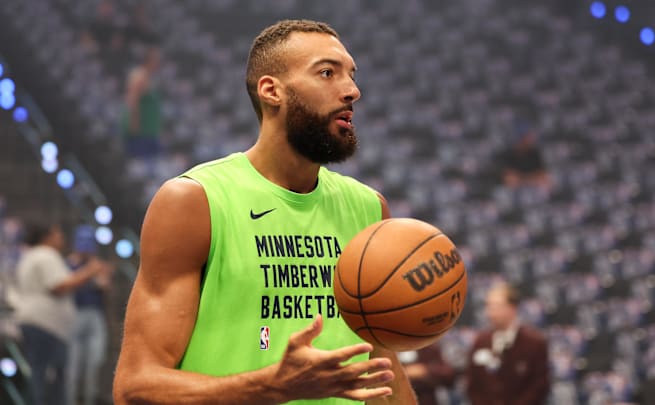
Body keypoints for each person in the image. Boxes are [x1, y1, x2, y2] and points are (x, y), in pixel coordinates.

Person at [113, 19, 416, 404]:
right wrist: (271, 386)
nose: (352, 91)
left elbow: (383, 366)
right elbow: (135, 387)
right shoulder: (195, 201)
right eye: (327, 73)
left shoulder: (369, 209)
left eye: (351, 76)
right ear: (272, 91)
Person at [14, 222, 106, 405]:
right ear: (47, 237)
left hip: (38, 323)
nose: (61, 238)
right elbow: (58, 286)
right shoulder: (46, 255)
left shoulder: (30, 256)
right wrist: (89, 272)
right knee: (50, 377)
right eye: (57, 234)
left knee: (42, 373)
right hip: (46, 326)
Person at [466, 282, 550, 405]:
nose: (491, 312)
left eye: (497, 306)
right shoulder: (480, 341)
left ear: (512, 308)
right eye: (489, 306)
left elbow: (539, 385)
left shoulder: (534, 342)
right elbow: (472, 383)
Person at [66, 225, 113, 405]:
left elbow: (105, 287)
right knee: (73, 368)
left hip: (95, 316)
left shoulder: (97, 264)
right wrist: (89, 271)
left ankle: (89, 401)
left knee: (93, 365)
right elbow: (67, 285)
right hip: (75, 315)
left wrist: (102, 274)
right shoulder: (69, 263)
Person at [121, 46, 163, 168]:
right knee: (139, 165)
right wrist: (134, 124)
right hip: (140, 132)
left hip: (148, 130)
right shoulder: (140, 76)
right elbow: (132, 101)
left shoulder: (149, 77)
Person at [500, 122, 551, 190]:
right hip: (512, 191)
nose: (531, 139)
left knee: (546, 180)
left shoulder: (534, 152)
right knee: (511, 180)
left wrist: (524, 180)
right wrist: (530, 179)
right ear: (521, 138)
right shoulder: (509, 153)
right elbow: (508, 178)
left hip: (530, 185)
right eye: (528, 136)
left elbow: (542, 174)